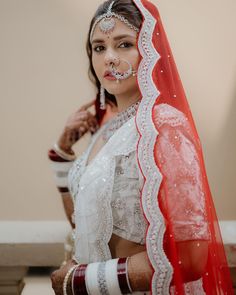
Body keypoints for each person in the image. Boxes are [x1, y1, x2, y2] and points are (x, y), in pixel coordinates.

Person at [48, 0, 233, 294]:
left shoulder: (164, 126)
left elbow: (190, 258)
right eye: (99, 47)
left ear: (149, 50)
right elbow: (86, 226)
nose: (109, 57)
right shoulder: (106, 131)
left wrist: (80, 279)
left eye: (123, 45)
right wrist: (60, 153)